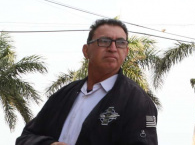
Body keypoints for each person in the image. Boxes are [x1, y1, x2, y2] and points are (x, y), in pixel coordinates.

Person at [16, 18, 158, 145]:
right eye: (104, 41)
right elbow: (26, 138)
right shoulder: (63, 96)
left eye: (120, 43)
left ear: (126, 52)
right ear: (86, 51)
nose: (113, 48)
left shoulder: (137, 101)